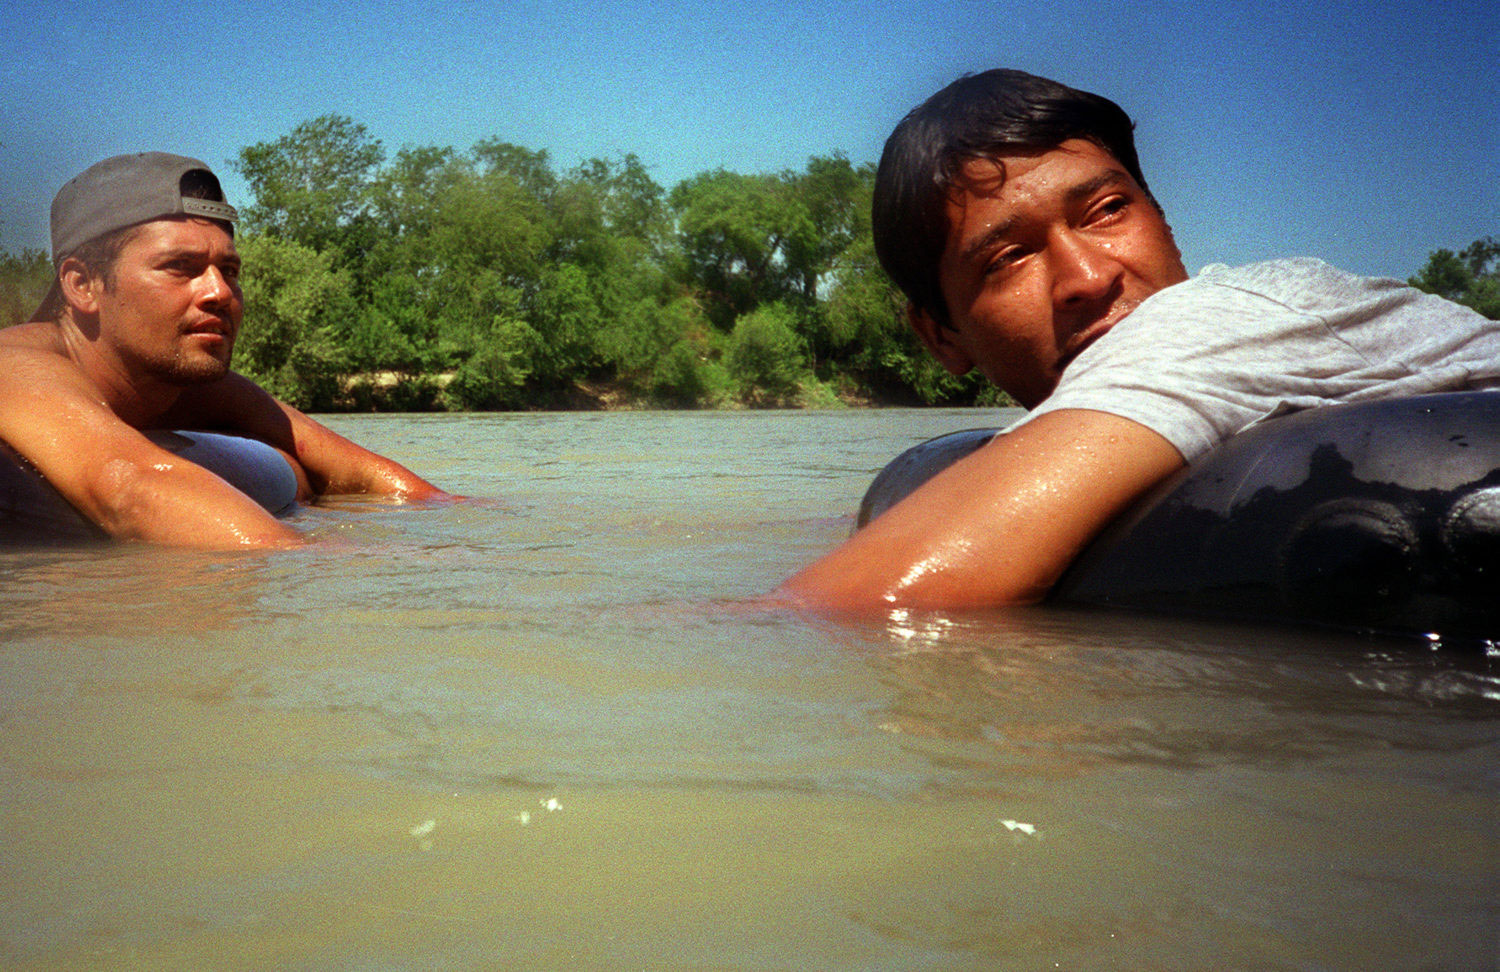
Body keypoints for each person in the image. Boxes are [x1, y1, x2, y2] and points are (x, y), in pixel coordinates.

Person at [778, 69, 1500, 611]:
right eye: (1009, 258)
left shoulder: (1230, 313)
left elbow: (837, 614)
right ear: (939, 335)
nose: (1086, 276)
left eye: (1108, 210)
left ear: (1166, 224)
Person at [0, 152, 450, 550]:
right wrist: (332, 575)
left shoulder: (189, 384)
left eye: (229, 269)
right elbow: (130, 488)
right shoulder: (15, 367)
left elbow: (371, 477)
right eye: (180, 267)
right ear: (82, 284)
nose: (219, 291)